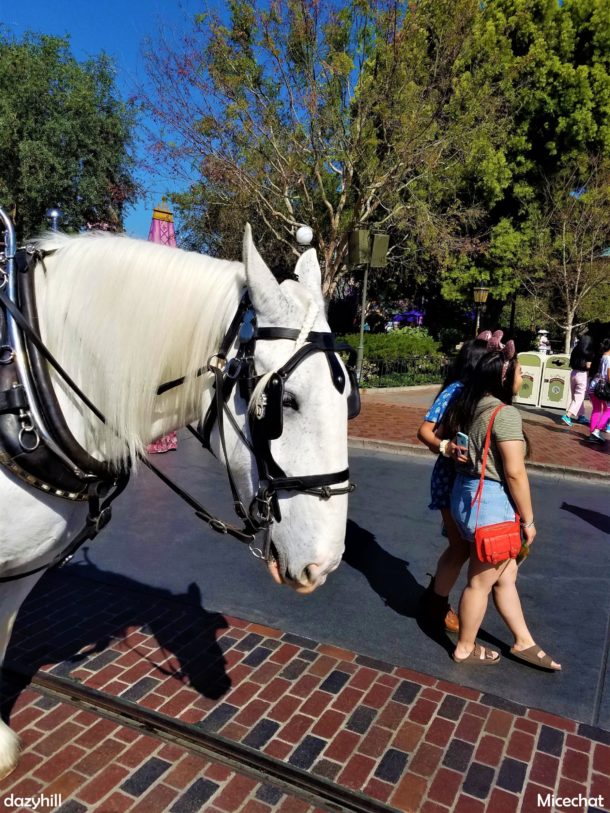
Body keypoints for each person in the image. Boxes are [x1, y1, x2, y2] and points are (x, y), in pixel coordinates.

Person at [442, 340, 561, 670]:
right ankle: (465, 647)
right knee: (480, 583)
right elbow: (514, 472)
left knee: (505, 577)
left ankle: (523, 640)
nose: (524, 378)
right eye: (521, 372)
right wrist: (529, 519)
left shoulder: (469, 404)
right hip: (491, 508)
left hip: (466, 498)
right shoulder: (504, 413)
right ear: (504, 378)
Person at [416, 337, 489, 632]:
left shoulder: (474, 392)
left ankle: (435, 601)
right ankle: (436, 606)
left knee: (460, 547)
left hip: (465, 478)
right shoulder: (456, 390)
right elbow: (424, 431)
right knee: (460, 547)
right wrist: (447, 447)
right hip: (450, 477)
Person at [562, 334, 595, 427]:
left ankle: (581, 415)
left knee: (575, 397)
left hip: (573, 373)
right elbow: (588, 366)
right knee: (579, 398)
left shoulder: (575, 350)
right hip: (582, 375)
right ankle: (567, 416)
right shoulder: (589, 352)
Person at [587, 338, 610, 445]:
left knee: (597, 410)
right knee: (608, 410)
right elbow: (609, 377)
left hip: (594, 386)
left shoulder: (602, 357)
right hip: (601, 388)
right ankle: (597, 430)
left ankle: (593, 434)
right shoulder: (609, 359)